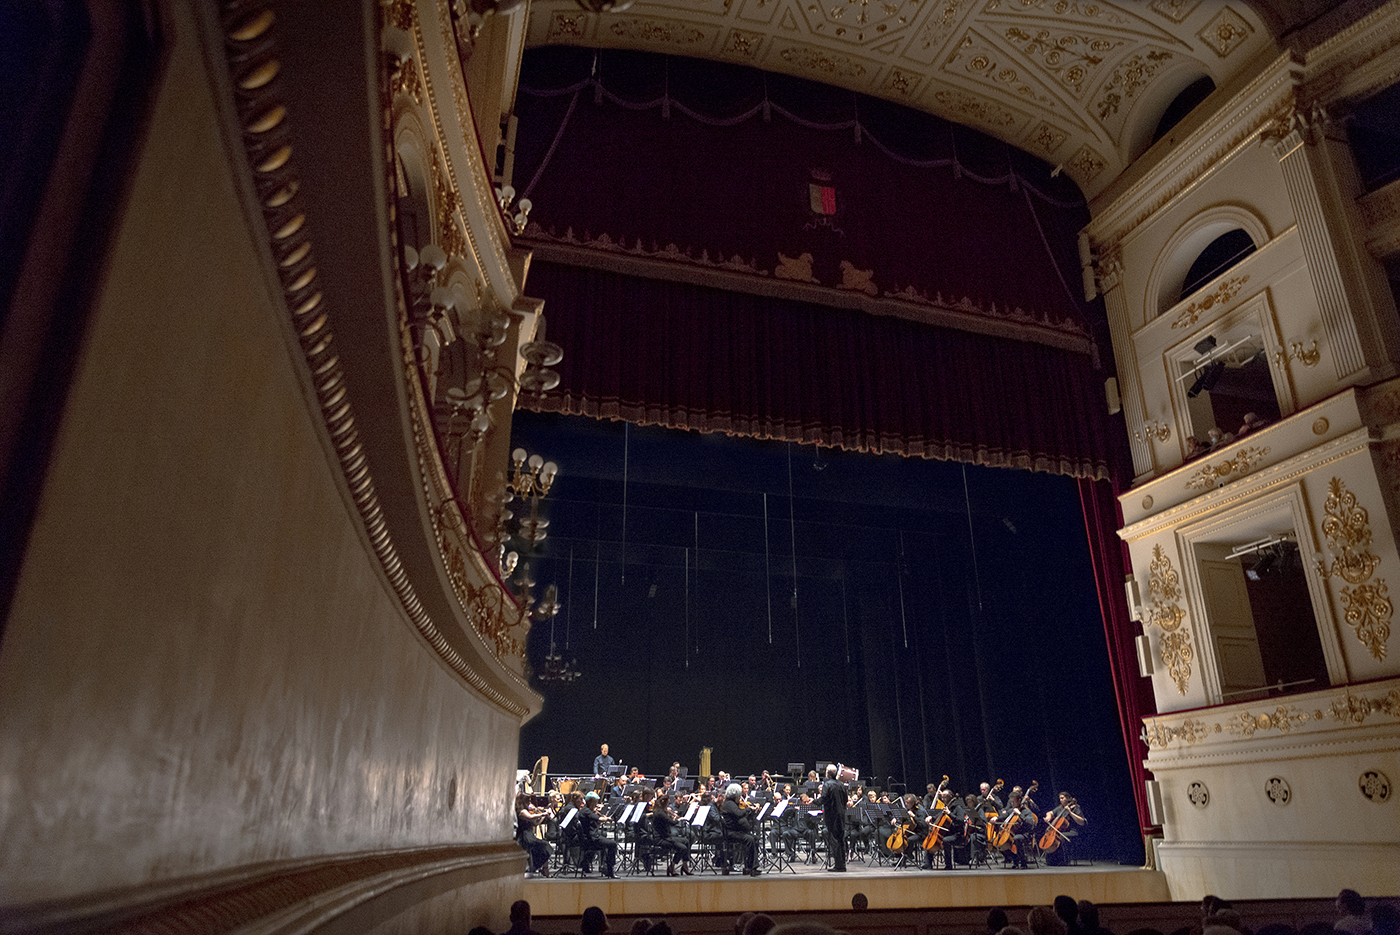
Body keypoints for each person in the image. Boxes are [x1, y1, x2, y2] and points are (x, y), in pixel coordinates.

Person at [721, 782, 760, 875]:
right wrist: (749, 809)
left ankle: (750, 866)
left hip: (736, 831)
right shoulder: (729, 804)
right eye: (738, 795)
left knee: (754, 838)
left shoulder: (731, 803)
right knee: (750, 839)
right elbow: (738, 813)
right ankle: (751, 867)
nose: (740, 797)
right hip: (730, 833)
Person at [1042, 792, 1087, 865]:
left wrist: (1070, 812)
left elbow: (1082, 821)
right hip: (1063, 831)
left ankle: (1063, 860)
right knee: (1054, 837)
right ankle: (1052, 860)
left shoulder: (1075, 808)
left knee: (1061, 837)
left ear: (1068, 798)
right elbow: (1050, 812)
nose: (1061, 800)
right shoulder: (1060, 808)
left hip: (1074, 831)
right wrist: (1048, 817)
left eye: (1062, 798)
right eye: (1060, 798)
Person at [515, 792, 551, 877]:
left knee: (545, 846)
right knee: (544, 846)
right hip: (524, 836)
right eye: (528, 801)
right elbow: (530, 817)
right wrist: (542, 813)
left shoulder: (527, 811)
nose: (530, 804)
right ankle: (539, 867)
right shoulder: (521, 811)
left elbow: (535, 823)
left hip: (530, 835)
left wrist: (543, 816)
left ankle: (543, 868)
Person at [820, 763, 847, 871]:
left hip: (832, 816)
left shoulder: (827, 784)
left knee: (834, 840)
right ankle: (842, 864)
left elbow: (824, 798)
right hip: (841, 815)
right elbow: (845, 799)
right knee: (841, 839)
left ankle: (838, 866)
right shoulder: (841, 784)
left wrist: (814, 802)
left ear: (828, 773)